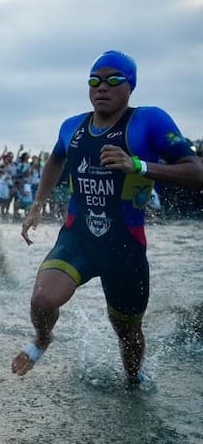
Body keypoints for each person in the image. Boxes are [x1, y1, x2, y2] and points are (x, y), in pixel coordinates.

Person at [13, 50, 203, 383]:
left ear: (130, 86)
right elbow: (55, 161)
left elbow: (195, 171)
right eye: (94, 80)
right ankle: (43, 339)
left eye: (113, 80)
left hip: (124, 247)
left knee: (128, 334)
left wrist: (139, 166)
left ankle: (134, 382)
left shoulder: (149, 121)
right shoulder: (72, 126)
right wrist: (37, 204)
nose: (102, 86)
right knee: (42, 299)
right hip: (78, 239)